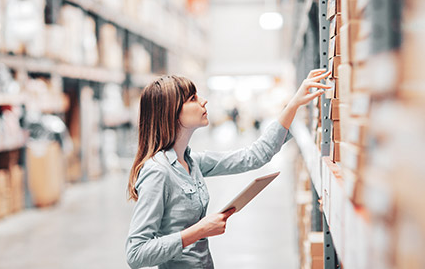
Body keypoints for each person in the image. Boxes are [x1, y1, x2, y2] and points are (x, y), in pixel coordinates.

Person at [126, 69, 331, 269]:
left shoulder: (192, 161)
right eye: (192, 99)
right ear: (171, 111)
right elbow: (136, 253)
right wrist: (199, 230)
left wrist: (294, 104)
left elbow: (254, 155)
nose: (203, 101)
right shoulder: (158, 172)